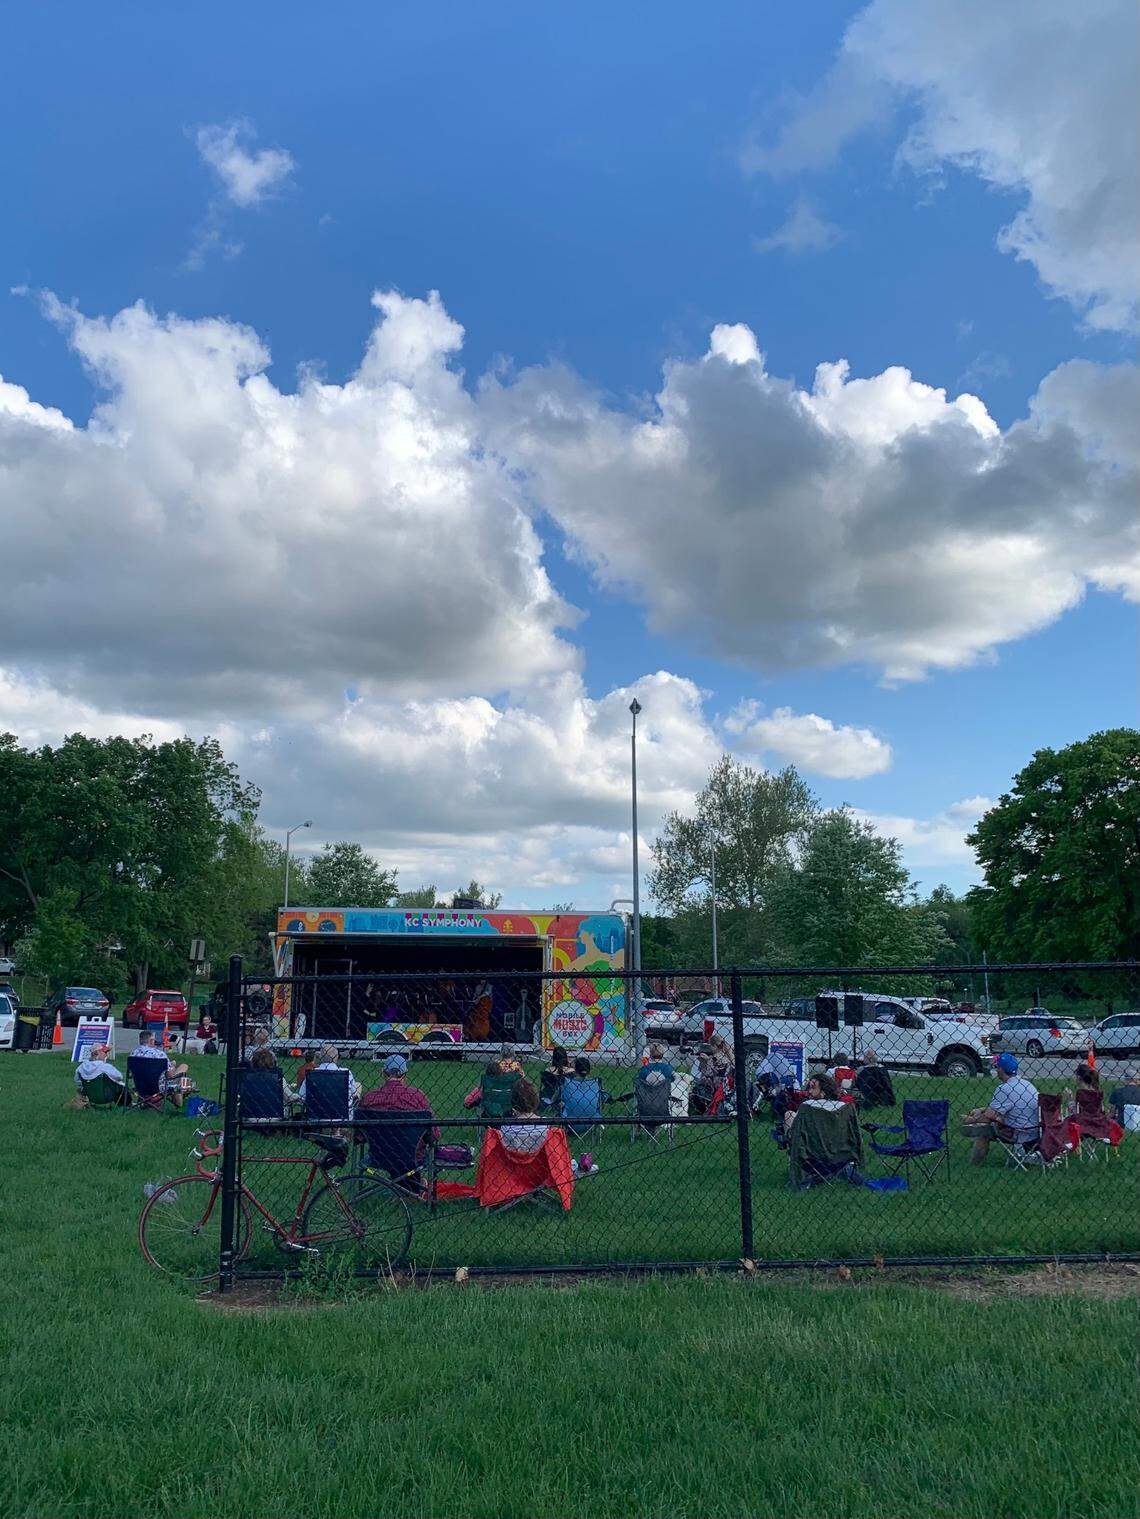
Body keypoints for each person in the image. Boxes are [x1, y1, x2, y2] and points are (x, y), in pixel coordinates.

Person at [961, 1053, 1040, 1164]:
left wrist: (971, 1120)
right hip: (1035, 1131)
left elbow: (988, 1117)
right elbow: (1004, 1107)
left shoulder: (1004, 1088)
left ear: (1001, 1069)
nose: (996, 1070)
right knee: (996, 1119)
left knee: (983, 1131)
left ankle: (974, 1164)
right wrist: (981, 1110)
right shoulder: (1027, 1084)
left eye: (996, 1067)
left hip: (1020, 1133)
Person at [132, 1029, 190, 1107]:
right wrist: (172, 1068)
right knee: (183, 1067)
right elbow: (170, 1076)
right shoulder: (160, 1054)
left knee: (173, 1066)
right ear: (151, 1041)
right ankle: (180, 1102)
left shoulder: (133, 1054)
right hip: (157, 1087)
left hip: (140, 1086)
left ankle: (181, 1094)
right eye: (154, 1040)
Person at [297, 1043, 361, 1105]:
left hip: (315, 1111)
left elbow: (301, 1095)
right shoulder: (346, 1072)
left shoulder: (311, 1074)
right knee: (358, 1085)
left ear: (320, 1057)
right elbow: (354, 1093)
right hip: (342, 1110)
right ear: (336, 1057)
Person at [500, 1079, 550, 1156]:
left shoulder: (506, 1128)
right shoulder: (545, 1125)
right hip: (539, 1162)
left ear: (513, 1101)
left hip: (512, 1162)